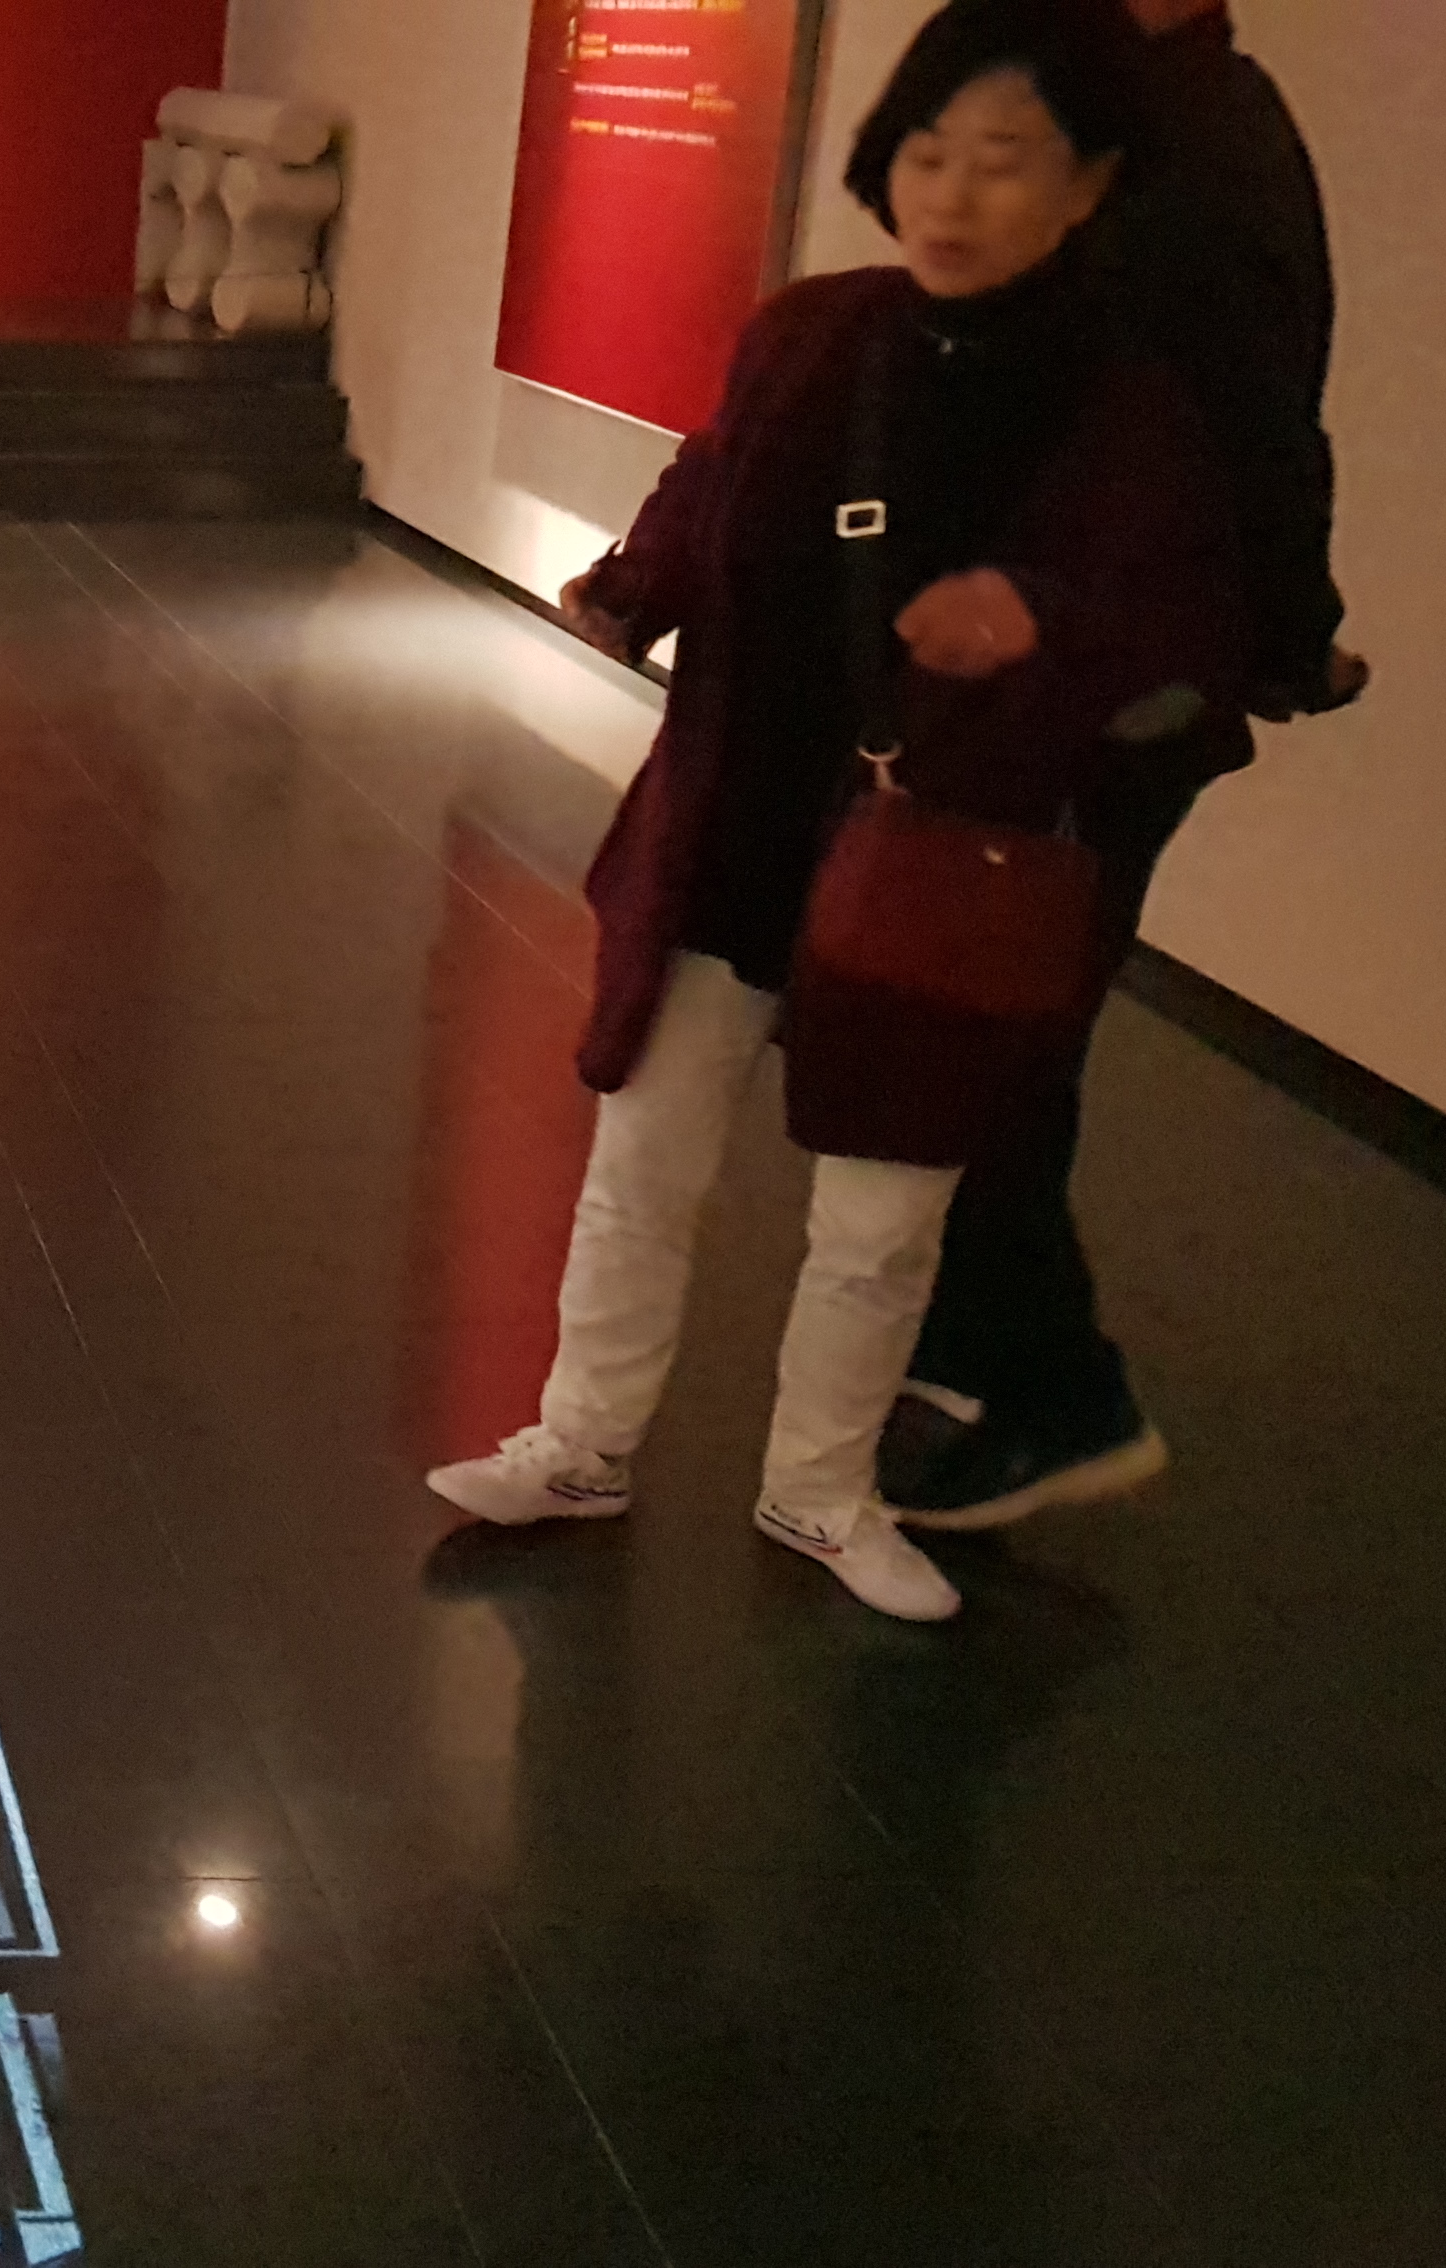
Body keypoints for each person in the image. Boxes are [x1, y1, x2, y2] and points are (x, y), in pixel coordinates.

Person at [426, 0, 1243, 1622]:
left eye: (1004, 160)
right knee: (643, 1160)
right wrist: (632, 587)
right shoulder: (814, 331)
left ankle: (818, 1490)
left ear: (1088, 184)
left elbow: (1181, 625)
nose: (954, 194)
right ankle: (581, 1445)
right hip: (733, 823)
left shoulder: (1123, 400)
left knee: (880, 1216)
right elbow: (711, 477)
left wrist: (1037, 618)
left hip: (938, 859)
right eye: (927, 153)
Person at [887, 0, 1364, 1531]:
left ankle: (1058, 1391)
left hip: (1104, 674)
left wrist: (1285, 634)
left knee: (997, 1030)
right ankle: (972, 1339)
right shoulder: (1165, 108)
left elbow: (1257, 430)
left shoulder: (1194, 144)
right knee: (980, 1006)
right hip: (1073, 654)